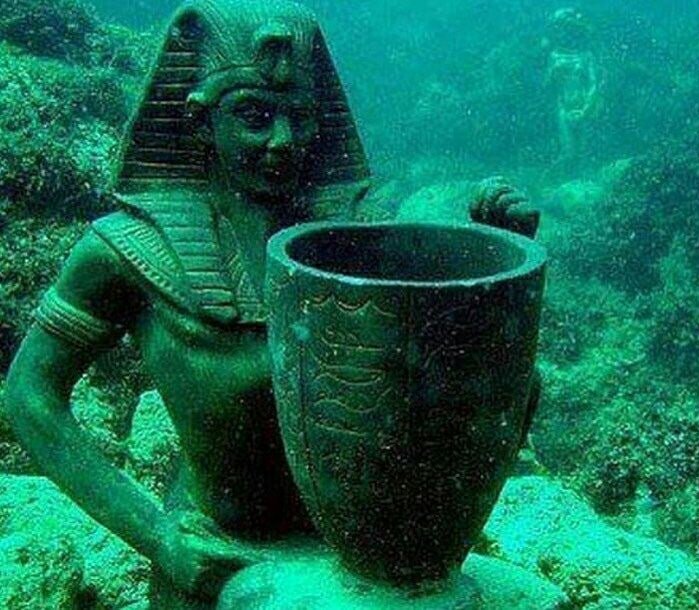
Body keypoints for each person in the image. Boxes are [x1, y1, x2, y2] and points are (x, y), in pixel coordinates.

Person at [6, 1, 540, 608]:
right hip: (218, 566)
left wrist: (494, 260)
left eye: (299, 117)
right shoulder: (127, 251)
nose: (282, 141)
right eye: (254, 116)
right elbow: (29, 394)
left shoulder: (362, 240)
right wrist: (156, 535)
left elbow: (454, 388)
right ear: (200, 121)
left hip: (366, 569)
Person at [544, 7, 602, 173]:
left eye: (566, 29)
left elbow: (594, 84)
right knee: (568, 152)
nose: (563, 34)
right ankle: (564, 182)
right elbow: (547, 86)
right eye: (560, 29)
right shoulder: (554, 55)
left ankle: (583, 183)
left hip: (585, 107)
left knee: (583, 152)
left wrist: (586, 109)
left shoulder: (587, 55)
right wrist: (552, 74)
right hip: (563, 107)